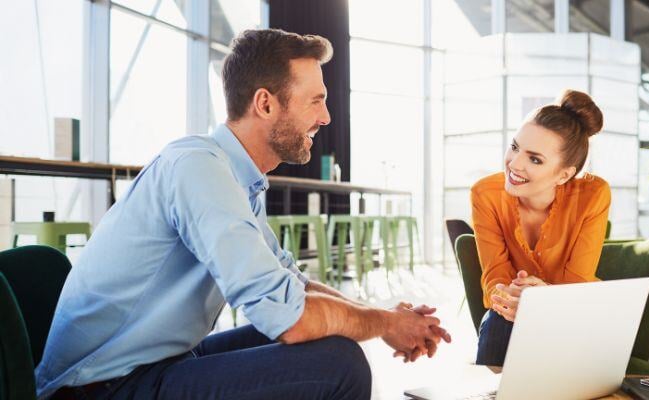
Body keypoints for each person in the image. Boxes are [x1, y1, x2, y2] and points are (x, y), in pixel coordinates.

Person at [35, 29, 450, 400]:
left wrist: (387, 318)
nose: (325, 118)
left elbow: (293, 284)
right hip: (101, 388)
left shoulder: (237, 178)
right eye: (316, 102)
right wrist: (383, 323)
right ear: (265, 104)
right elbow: (289, 319)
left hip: (156, 364)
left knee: (333, 339)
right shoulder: (199, 168)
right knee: (338, 365)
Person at [470, 89, 611, 367]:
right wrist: (509, 297)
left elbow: (578, 284)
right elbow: (495, 274)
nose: (515, 164)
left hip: (572, 310)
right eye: (514, 147)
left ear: (564, 175)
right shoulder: (485, 193)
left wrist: (541, 299)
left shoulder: (593, 194)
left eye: (534, 159)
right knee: (501, 318)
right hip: (509, 317)